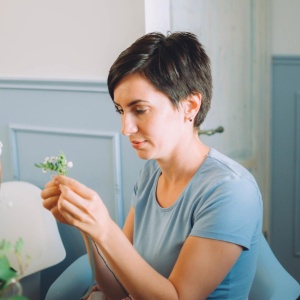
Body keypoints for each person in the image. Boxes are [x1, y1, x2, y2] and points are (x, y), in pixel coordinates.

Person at [41, 32, 263, 300]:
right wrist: (88, 228)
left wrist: (105, 227)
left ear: (189, 106)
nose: (125, 128)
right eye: (121, 111)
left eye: (140, 110)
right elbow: (117, 287)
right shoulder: (151, 173)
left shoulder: (231, 192)